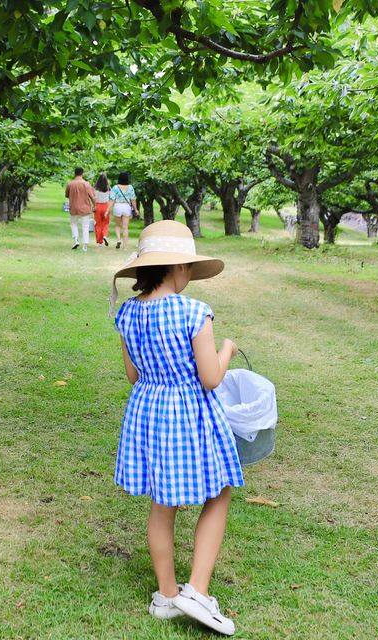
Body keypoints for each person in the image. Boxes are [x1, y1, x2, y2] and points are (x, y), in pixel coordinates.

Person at [111, 220, 244, 636]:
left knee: (161, 504)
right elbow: (209, 378)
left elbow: (133, 375)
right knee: (219, 491)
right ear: (179, 269)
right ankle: (197, 591)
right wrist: (227, 350)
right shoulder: (193, 312)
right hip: (189, 413)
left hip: (149, 411)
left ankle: (167, 594)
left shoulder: (128, 313)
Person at [65, 167, 95, 251]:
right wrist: (94, 205)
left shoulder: (70, 184)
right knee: (85, 226)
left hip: (74, 208)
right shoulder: (86, 184)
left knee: (73, 224)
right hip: (85, 208)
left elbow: (67, 195)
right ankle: (85, 245)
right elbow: (92, 197)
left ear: (74, 173)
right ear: (83, 173)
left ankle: (76, 239)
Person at [107, 172, 138, 250]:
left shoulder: (115, 187)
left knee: (117, 225)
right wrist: (136, 209)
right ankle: (125, 247)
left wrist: (108, 210)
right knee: (125, 227)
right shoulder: (130, 187)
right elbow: (133, 199)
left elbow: (112, 199)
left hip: (118, 206)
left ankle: (118, 239)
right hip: (127, 206)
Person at [93, 173, 111, 247]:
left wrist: (93, 206)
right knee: (106, 223)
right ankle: (104, 235)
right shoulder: (109, 188)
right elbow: (111, 198)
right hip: (106, 206)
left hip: (98, 206)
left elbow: (95, 198)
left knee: (98, 224)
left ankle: (99, 241)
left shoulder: (96, 188)